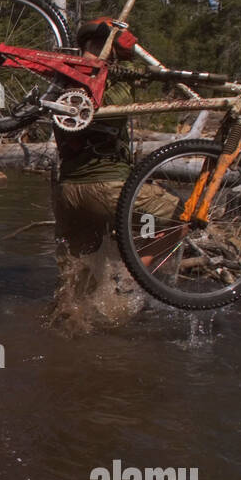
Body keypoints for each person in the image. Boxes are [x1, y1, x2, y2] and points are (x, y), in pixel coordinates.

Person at [47, 30, 182, 328]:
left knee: (77, 276)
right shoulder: (107, 84)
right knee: (185, 216)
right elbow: (114, 113)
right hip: (106, 187)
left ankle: (65, 334)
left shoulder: (61, 84)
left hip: (67, 193)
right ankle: (131, 279)